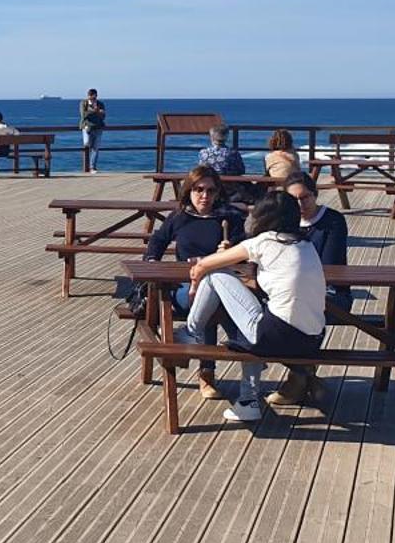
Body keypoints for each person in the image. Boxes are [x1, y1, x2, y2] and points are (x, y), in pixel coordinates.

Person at [177, 190, 327, 424]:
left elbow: (206, 264)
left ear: (264, 216)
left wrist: (196, 282)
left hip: (276, 336)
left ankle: (192, 332)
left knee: (217, 275)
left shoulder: (265, 240)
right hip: (311, 341)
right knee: (250, 320)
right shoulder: (307, 246)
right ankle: (247, 400)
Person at [143, 165, 246, 401]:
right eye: (199, 189)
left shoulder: (229, 218)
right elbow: (157, 242)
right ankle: (213, 368)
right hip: (183, 287)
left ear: (218, 192)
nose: (205, 196)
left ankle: (198, 347)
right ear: (189, 191)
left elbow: (248, 251)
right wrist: (151, 262)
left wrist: (233, 251)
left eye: (210, 190)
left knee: (212, 296)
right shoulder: (180, 217)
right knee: (206, 298)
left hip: (223, 285)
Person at [269, 170, 350, 407]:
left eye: (304, 197)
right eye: (293, 200)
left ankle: (298, 376)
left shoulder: (332, 221)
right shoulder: (279, 223)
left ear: (315, 195)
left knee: (302, 307)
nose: (300, 204)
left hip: (331, 291)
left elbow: (329, 264)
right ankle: (305, 374)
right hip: (290, 292)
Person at [79, 90, 107, 173]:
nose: (92, 98)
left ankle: (92, 167)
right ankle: (87, 166)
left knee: (95, 148)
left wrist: (98, 111)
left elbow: (103, 116)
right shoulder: (83, 103)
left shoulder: (100, 104)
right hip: (87, 127)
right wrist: (95, 111)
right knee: (87, 144)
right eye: (91, 96)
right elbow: (83, 115)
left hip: (98, 127)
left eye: (94, 96)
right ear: (88, 96)